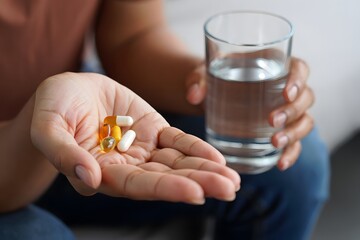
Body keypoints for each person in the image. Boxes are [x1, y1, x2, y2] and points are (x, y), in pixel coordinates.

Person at [0, 0, 329, 240]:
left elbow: (132, 36)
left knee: (299, 170)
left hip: (80, 115)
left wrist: (205, 84)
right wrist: (39, 121)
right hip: (14, 157)